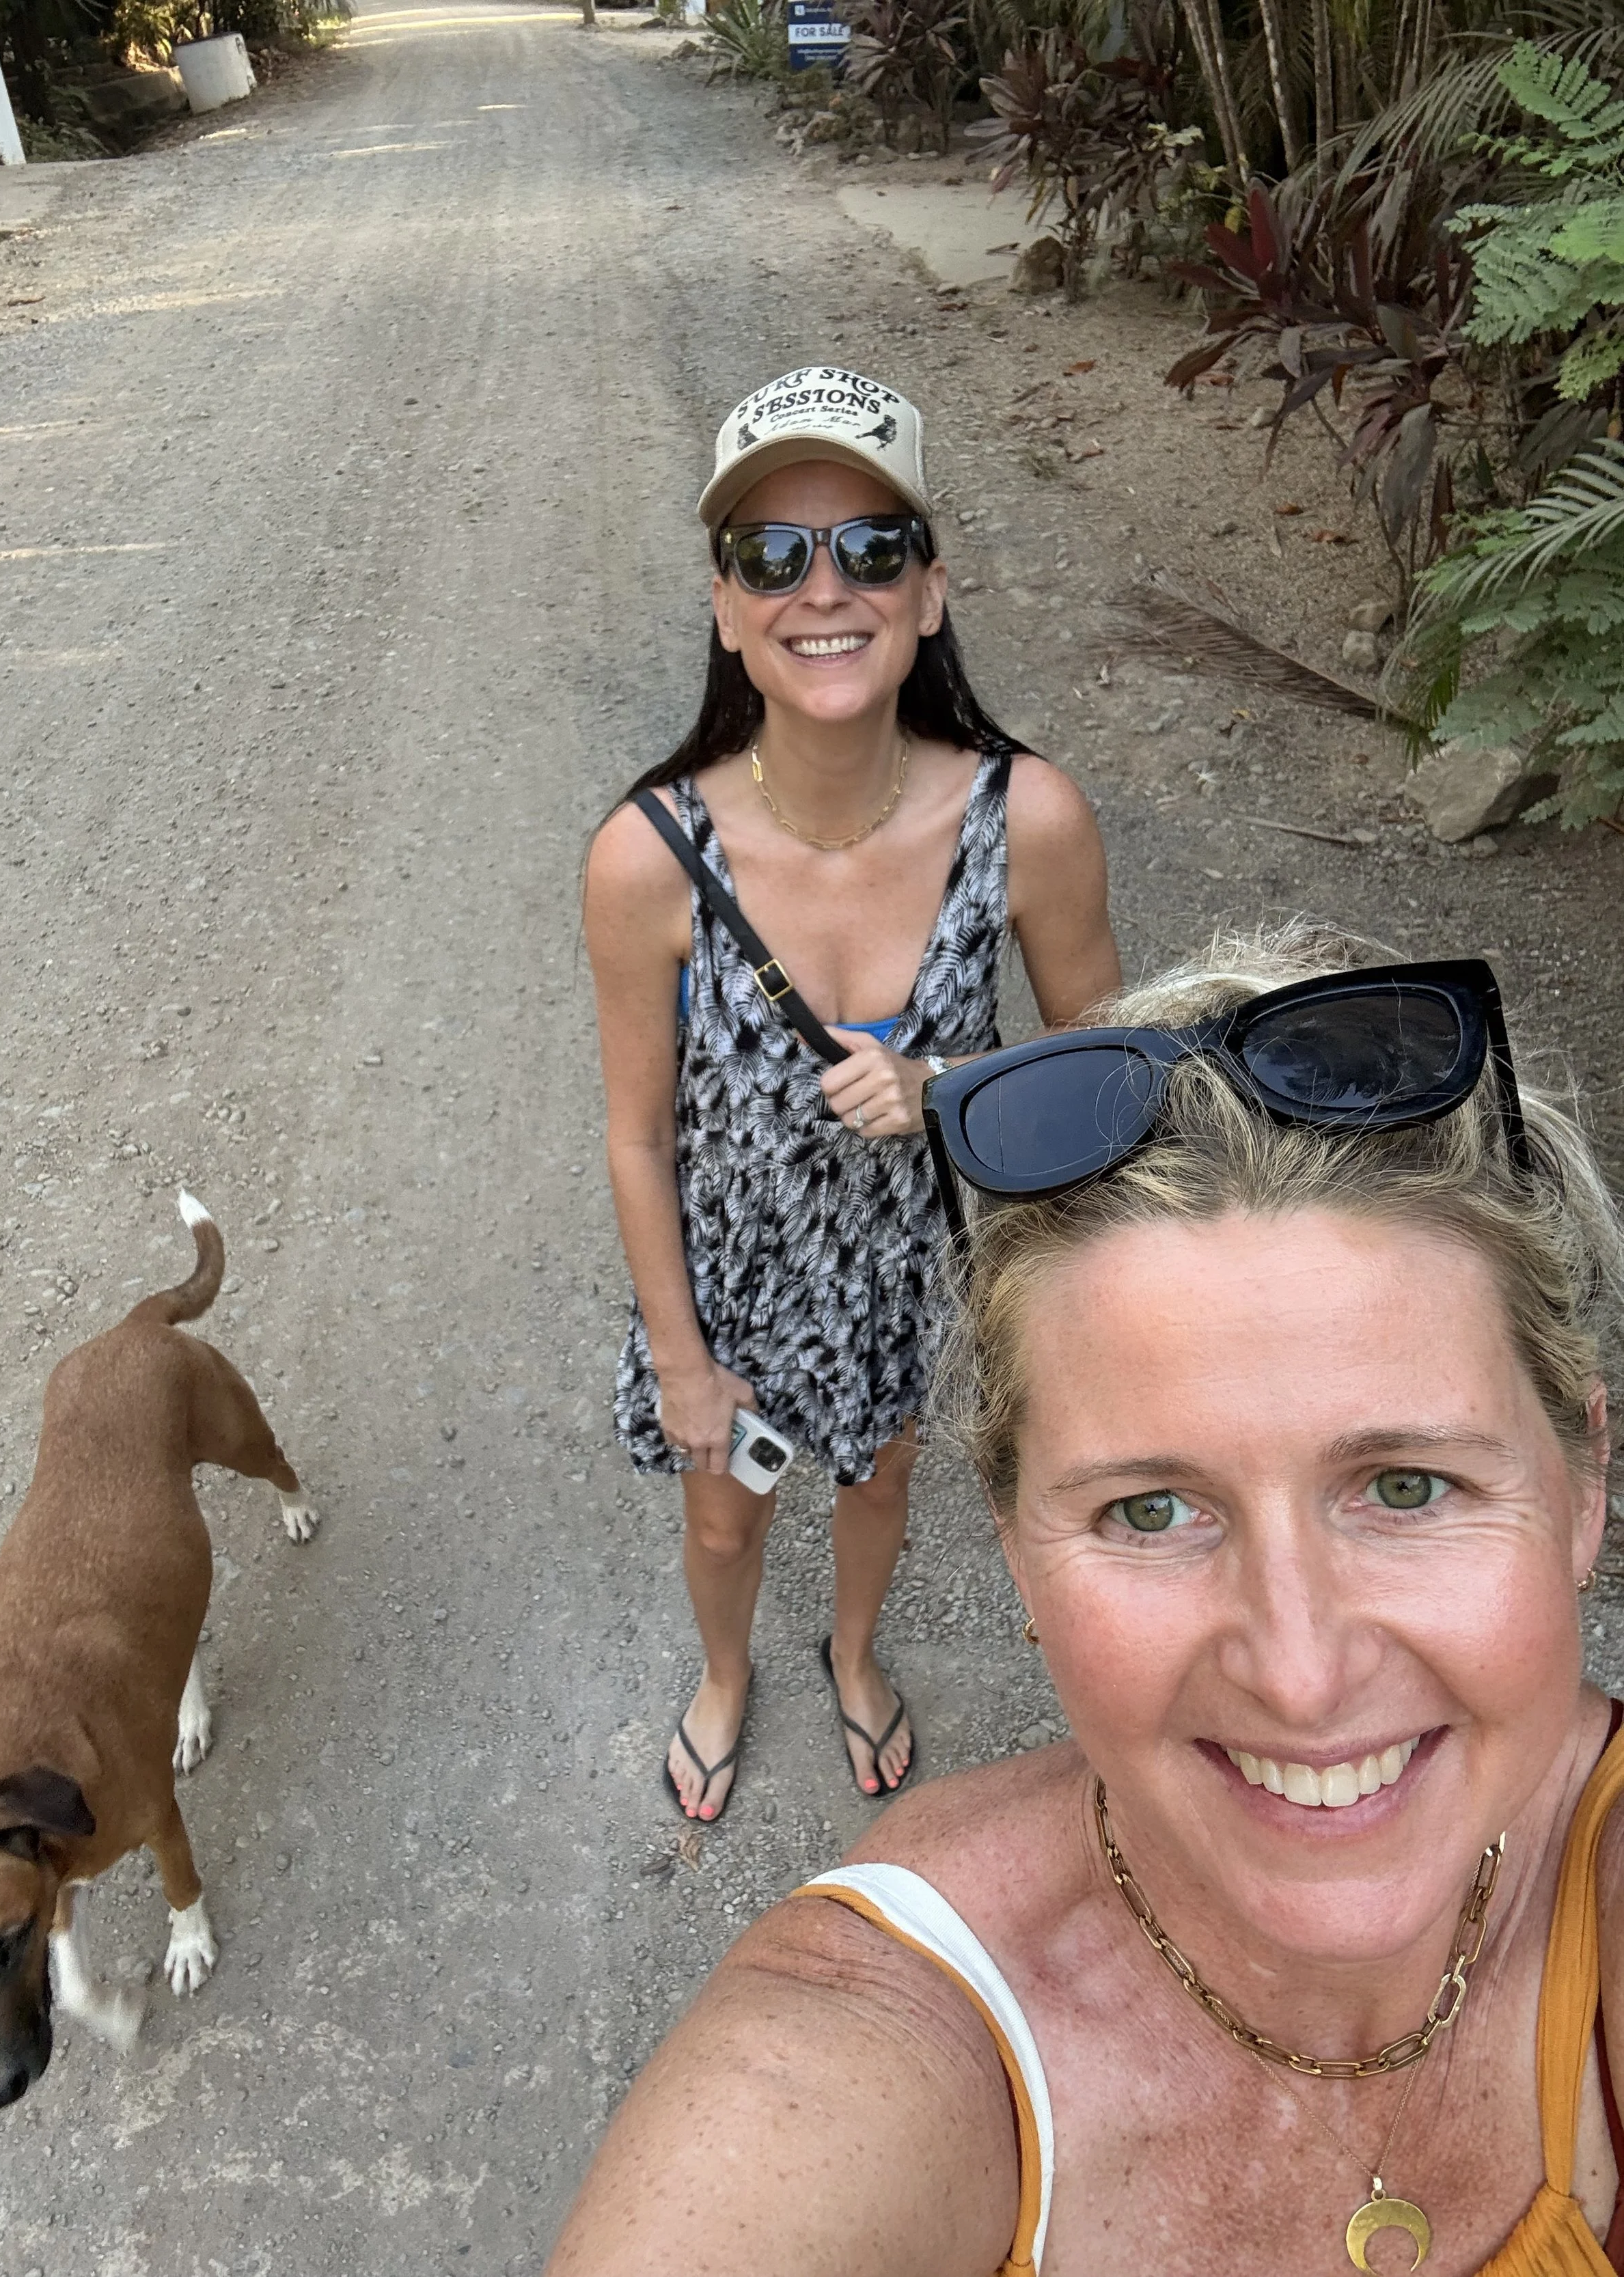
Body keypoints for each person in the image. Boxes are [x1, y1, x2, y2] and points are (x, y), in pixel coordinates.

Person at [548, 924, 1624, 2277]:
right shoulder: (846, 2072)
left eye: (1403, 1487)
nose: (1297, 1671)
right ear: (1015, 1552)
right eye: (1151, 1511)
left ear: (1581, 1485)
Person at [583, 367, 1118, 1822]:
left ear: (929, 591)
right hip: (728, 1280)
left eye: (869, 548)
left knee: (879, 1483)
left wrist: (943, 1080)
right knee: (721, 1504)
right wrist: (681, 1357)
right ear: (723, 602)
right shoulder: (648, 855)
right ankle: (722, 1672)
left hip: (910, 1272)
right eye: (772, 553)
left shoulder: (1028, 820)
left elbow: (1111, 1083)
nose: (823, 588)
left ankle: (855, 1650)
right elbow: (635, 1135)